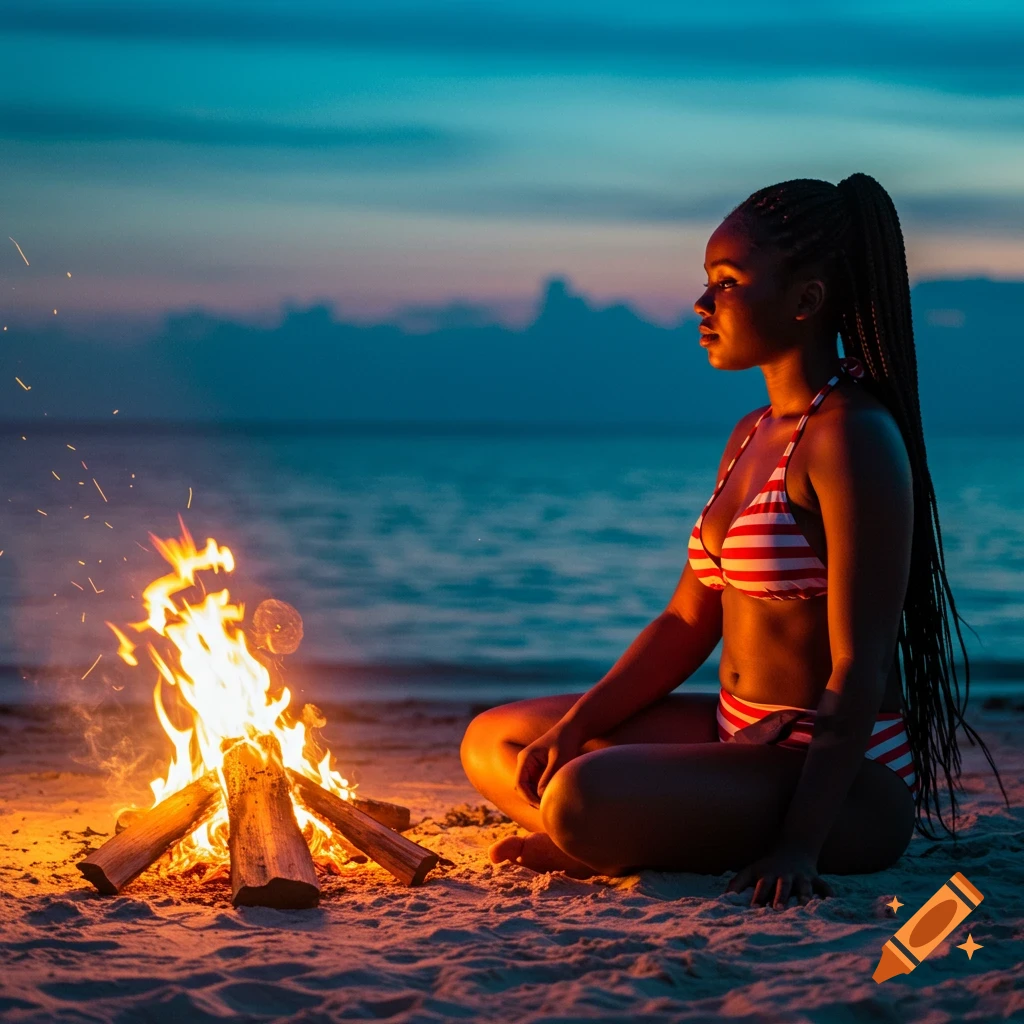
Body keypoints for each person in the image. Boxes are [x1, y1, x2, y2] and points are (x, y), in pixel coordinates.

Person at [459, 174, 1010, 909]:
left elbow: (861, 666)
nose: (701, 303)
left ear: (806, 301)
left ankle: (614, 832)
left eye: (726, 282)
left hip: (843, 779)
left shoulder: (851, 439)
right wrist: (576, 725)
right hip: (735, 736)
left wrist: (799, 846)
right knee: (496, 741)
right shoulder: (751, 433)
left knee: (580, 797)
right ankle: (632, 829)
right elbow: (687, 622)